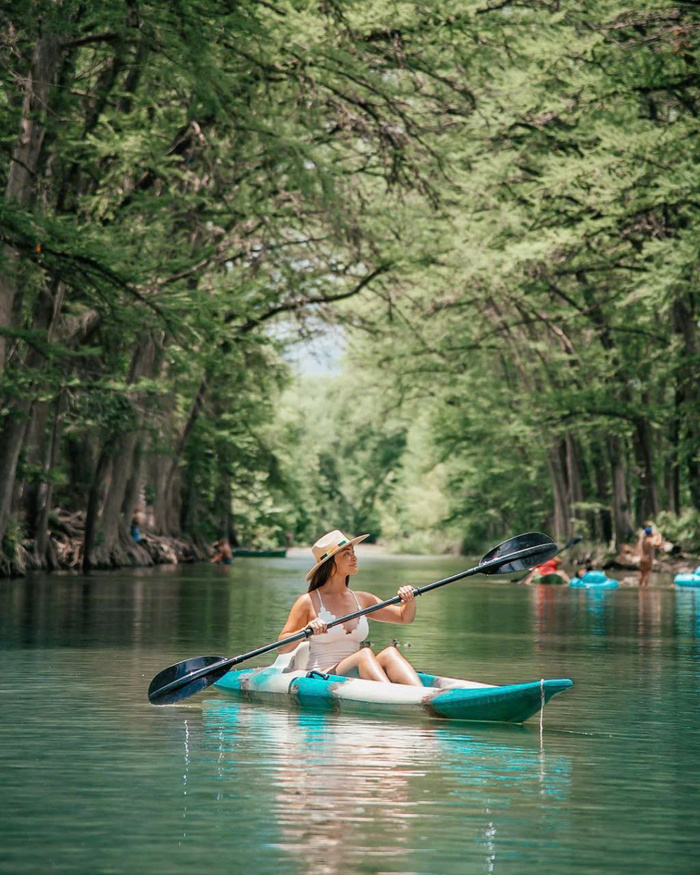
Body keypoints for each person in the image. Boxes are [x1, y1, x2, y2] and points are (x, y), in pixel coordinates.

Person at [277, 529, 422, 685]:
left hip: (356, 672)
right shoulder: (308, 601)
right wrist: (306, 629)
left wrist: (409, 599)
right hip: (321, 676)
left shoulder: (362, 599)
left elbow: (404, 617)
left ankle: (422, 696)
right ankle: (395, 697)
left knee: (390, 653)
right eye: (346, 554)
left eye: (353, 552)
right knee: (364, 654)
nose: (354, 557)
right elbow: (282, 647)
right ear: (330, 563)